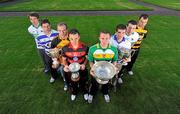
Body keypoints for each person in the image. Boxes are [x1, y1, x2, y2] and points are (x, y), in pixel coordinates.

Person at [88, 30, 118, 103]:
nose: (104, 40)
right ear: (99, 38)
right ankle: (92, 93)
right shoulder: (92, 48)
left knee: (106, 84)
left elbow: (114, 60)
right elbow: (90, 61)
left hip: (108, 71)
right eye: (102, 38)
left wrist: (113, 68)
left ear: (110, 38)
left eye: (107, 38)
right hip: (96, 70)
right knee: (94, 83)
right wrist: (92, 68)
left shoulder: (114, 49)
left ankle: (105, 93)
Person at [62, 29, 89, 101]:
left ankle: (85, 92)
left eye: (76, 38)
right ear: (68, 37)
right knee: (73, 82)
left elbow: (87, 58)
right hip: (71, 68)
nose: (74, 41)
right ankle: (74, 92)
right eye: (71, 39)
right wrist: (65, 66)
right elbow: (64, 59)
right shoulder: (65, 48)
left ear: (79, 37)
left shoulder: (85, 47)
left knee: (83, 81)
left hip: (81, 67)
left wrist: (84, 64)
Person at [36, 19, 59, 83]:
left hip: (57, 53)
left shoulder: (56, 33)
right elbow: (40, 46)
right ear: (42, 27)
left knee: (59, 64)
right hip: (48, 53)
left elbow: (59, 43)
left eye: (48, 26)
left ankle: (62, 75)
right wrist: (48, 45)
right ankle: (53, 76)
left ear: (50, 25)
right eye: (44, 26)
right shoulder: (39, 36)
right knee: (50, 65)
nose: (47, 28)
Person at [51, 22, 70, 91]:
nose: (61, 32)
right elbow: (53, 53)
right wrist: (55, 60)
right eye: (59, 30)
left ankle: (66, 83)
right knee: (55, 67)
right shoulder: (54, 40)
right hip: (60, 59)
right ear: (57, 30)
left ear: (67, 30)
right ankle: (58, 77)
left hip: (70, 59)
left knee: (63, 69)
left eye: (63, 30)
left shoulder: (71, 38)